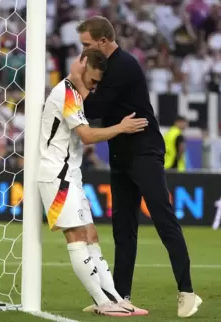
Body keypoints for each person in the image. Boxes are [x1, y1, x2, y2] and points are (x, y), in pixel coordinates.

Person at [69, 16, 202, 318]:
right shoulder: (108, 67)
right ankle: (119, 297)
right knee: (123, 230)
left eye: (87, 45)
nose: (83, 52)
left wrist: (78, 81)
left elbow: (94, 110)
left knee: (162, 218)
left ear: (103, 41)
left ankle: (187, 292)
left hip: (144, 152)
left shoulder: (124, 65)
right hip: (121, 154)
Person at [37, 48, 149, 317]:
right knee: (76, 236)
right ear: (82, 64)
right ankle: (102, 301)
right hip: (57, 175)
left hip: (70, 174)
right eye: (92, 81)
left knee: (91, 235)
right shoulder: (65, 93)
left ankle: (115, 297)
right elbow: (86, 136)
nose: (93, 86)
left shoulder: (74, 94)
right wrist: (120, 128)